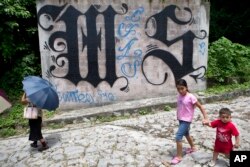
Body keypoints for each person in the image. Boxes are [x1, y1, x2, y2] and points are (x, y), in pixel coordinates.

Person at [168, 79, 208, 165]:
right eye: (178, 89)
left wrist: (205, 118)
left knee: (178, 136)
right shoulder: (179, 96)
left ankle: (179, 156)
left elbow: (201, 107)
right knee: (186, 134)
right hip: (181, 119)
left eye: (182, 88)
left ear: (186, 87)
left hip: (186, 120)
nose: (180, 91)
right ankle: (193, 148)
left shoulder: (191, 97)